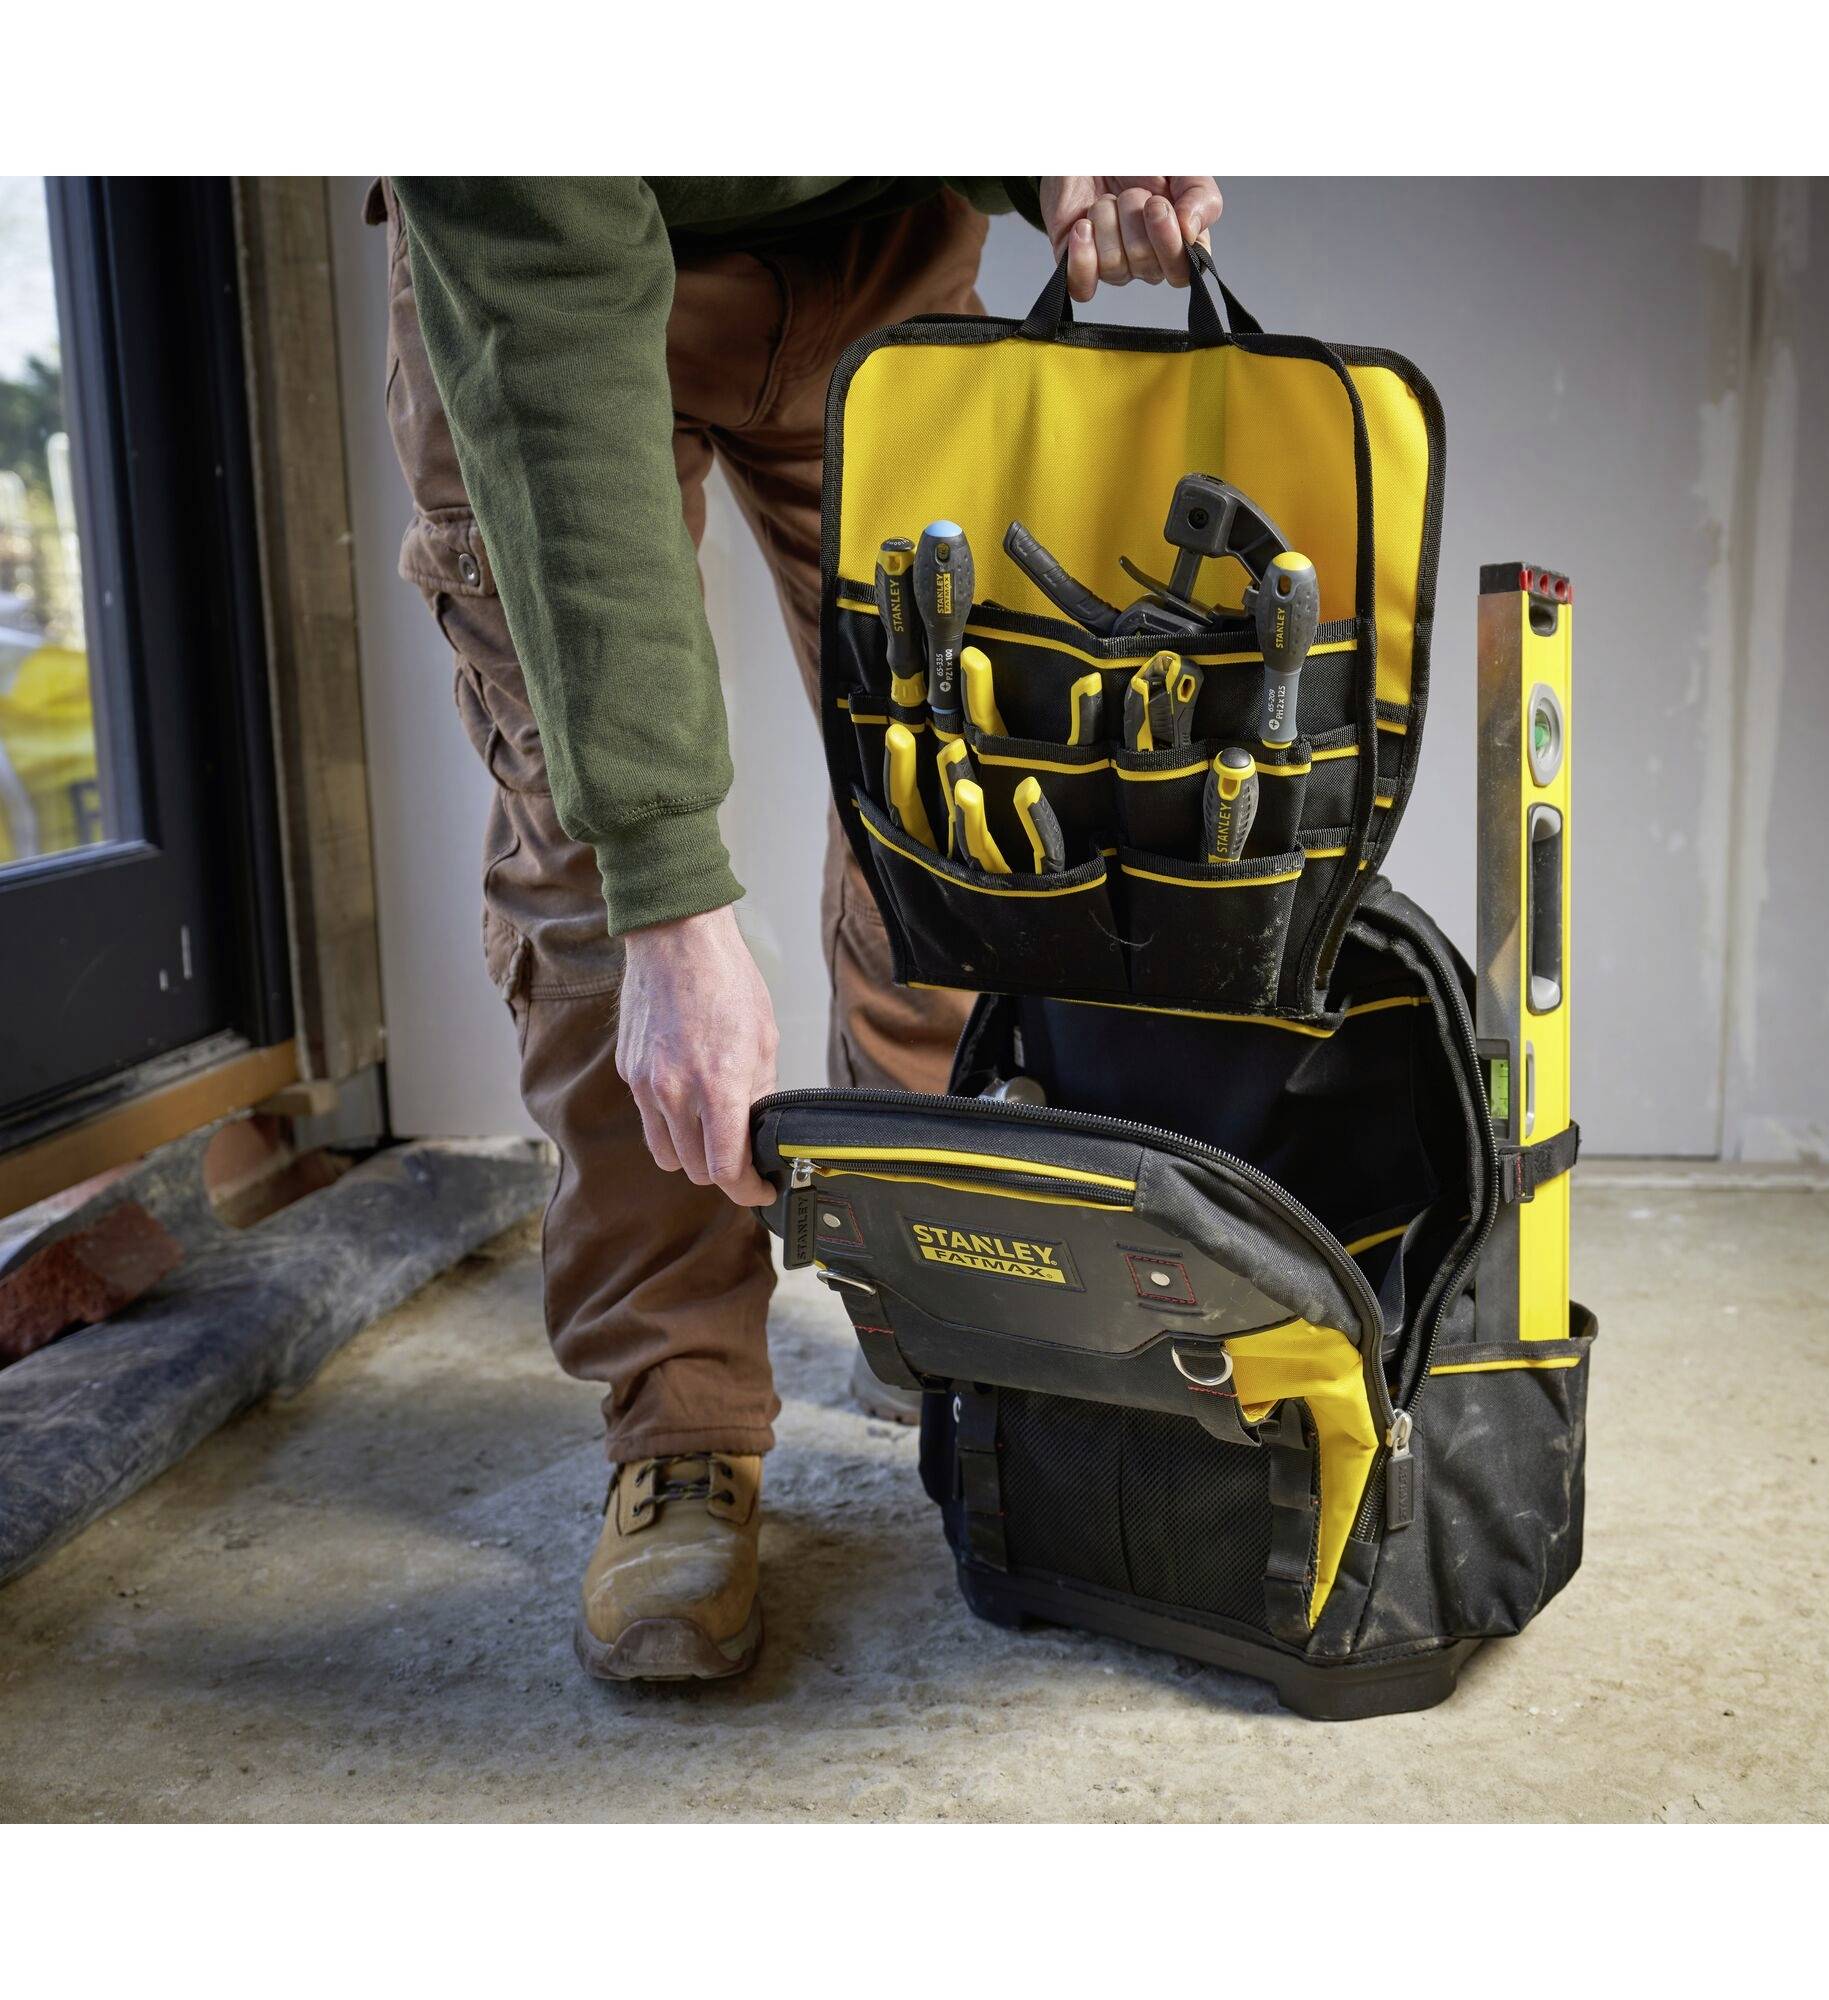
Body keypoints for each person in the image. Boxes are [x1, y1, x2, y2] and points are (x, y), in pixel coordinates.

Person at [376, 175, 1225, 1683]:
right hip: (552, 297)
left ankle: (933, 1272)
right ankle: (682, 1413)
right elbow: (542, 297)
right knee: (597, 865)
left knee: (962, 787)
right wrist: (666, 892)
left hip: (880, 243)